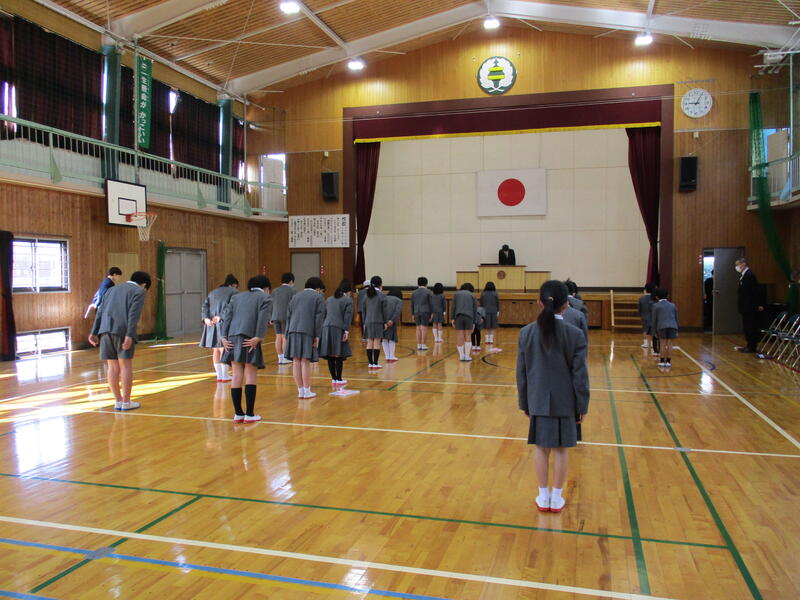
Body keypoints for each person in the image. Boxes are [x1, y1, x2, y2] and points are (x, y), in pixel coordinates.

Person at [516, 280, 589, 513]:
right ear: (566, 305)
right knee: (561, 449)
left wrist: (524, 402)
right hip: (566, 401)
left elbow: (522, 373)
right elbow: (580, 375)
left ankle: (543, 495)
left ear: (539, 302)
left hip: (537, 399)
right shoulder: (575, 334)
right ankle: (556, 497)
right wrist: (582, 405)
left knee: (541, 448)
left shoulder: (526, 333)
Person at [88, 271, 151, 411]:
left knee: (112, 367)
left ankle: (118, 401)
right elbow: (133, 315)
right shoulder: (139, 291)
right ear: (144, 285)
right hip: (122, 331)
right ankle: (126, 402)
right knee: (125, 366)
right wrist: (129, 335)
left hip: (104, 330)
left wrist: (93, 332)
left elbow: (100, 312)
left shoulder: (111, 290)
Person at [220, 275, 272, 423]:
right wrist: (259, 337)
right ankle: (249, 414)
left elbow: (227, 317)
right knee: (250, 373)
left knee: (236, 374)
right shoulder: (265, 298)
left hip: (231, 338)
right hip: (250, 337)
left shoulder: (237, 297)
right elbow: (262, 319)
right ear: (266, 288)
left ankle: (238, 414)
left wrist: (223, 336)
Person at [285, 277, 326, 398]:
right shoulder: (318, 297)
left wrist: (287, 333)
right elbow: (319, 318)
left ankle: (300, 391)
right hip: (307, 331)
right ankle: (307, 391)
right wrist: (317, 335)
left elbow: (288, 315)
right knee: (305, 361)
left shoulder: (295, 296)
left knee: (296, 361)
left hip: (292, 330)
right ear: (317, 288)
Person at [200, 274, 239, 382]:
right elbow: (231, 307)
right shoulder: (234, 292)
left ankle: (219, 376)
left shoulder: (213, 292)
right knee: (224, 348)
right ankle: (225, 375)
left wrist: (205, 318)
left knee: (216, 350)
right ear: (233, 285)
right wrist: (221, 316)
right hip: (224, 323)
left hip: (211, 323)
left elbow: (205, 305)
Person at [320, 279, 354, 388]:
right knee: (338, 353)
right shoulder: (348, 300)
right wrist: (346, 331)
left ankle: (334, 379)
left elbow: (324, 315)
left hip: (326, 327)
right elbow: (347, 317)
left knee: (330, 353)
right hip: (338, 327)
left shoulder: (329, 299)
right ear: (348, 291)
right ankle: (339, 379)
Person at [734, 258, 765, 354]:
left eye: (738, 264)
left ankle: (752, 346)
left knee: (750, 326)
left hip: (750, 306)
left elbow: (754, 292)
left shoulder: (750, 275)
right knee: (747, 327)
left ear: (743, 264)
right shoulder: (744, 276)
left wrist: (758, 304)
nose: (737, 267)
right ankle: (748, 345)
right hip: (745, 306)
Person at [362, 276, 388, 369]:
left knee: (369, 341)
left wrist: (364, 322)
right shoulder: (381, 295)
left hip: (368, 321)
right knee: (377, 342)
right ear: (380, 284)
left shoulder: (366, 295)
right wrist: (385, 322)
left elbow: (363, 310)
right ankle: (375, 363)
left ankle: (370, 363)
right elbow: (384, 311)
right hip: (378, 321)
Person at [271, 272, 297, 364]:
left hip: (275, 316)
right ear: (291, 281)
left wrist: (271, 316)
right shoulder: (292, 291)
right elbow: (294, 305)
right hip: (286, 316)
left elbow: (271, 304)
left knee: (278, 336)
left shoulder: (275, 290)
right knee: (285, 336)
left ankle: (280, 358)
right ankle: (285, 357)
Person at [651, 287, 679, 368]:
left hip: (661, 326)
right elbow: (676, 318)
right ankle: (668, 362)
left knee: (662, 343)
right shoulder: (673, 305)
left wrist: (654, 332)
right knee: (670, 344)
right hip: (673, 326)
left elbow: (654, 320)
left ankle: (662, 361)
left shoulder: (655, 306)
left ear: (657, 297)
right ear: (667, 295)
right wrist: (677, 328)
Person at [451, 282, 478, 361]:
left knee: (459, 336)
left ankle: (461, 356)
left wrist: (452, 318)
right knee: (468, 336)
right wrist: (474, 322)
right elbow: (475, 309)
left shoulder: (456, 294)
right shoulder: (472, 295)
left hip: (458, 316)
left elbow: (453, 307)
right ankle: (467, 356)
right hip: (469, 317)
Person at [411, 277, 433, 351]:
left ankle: (419, 345)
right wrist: (432, 313)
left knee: (418, 328)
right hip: (425, 311)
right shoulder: (429, 292)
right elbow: (431, 304)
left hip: (416, 311)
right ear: (426, 283)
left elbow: (412, 304)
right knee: (424, 328)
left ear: (418, 283)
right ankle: (423, 345)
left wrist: (412, 313)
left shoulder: (414, 292)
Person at [382, 287, 403, 362]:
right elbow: (397, 312)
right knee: (392, 338)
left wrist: (383, 320)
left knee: (384, 338)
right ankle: (392, 356)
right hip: (391, 322)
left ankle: (387, 356)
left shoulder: (384, 298)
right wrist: (392, 320)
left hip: (383, 321)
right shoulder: (399, 300)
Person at [480, 281, 500, 346]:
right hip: (494, 311)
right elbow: (497, 303)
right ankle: (491, 340)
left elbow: (481, 303)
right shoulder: (495, 293)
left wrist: (481, 312)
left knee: (486, 326)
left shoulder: (483, 294)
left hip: (485, 312)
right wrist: (498, 311)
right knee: (492, 326)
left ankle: (486, 339)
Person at [638, 282, 655, 350]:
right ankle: (652, 342)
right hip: (653, 316)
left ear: (645, 290)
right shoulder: (655, 298)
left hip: (644, 315)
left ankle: (646, 343)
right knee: (653, 329)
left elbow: (639, 308)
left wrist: (641, 314)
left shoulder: (641, 298)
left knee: (645, 329)